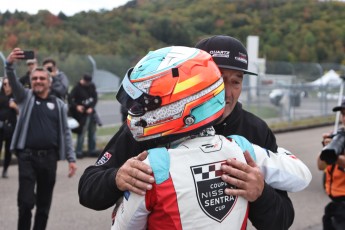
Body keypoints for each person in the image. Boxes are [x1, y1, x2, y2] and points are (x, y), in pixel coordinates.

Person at [78, 36, 294, 229]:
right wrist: (116, 178)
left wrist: (261, 193)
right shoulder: (150, 124)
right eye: (217, 79)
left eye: (236, 81)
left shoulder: (254, 130)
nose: (226, 92)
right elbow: (88, 189)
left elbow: (283, 220)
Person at [6, 48, 77, 230]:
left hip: (49, 158)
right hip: (27, 157)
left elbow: (66, 133)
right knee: (26, 203)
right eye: (35, 78)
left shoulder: (59, 105)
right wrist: (10, 65)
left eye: (42, 78)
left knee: (44, 206)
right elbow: (13, 83)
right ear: (31, 82)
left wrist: (71, 158)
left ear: (49, 82)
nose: (38, 81)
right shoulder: (25, 97)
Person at [317, 99, 345, 230]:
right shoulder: (338, 136)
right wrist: (326, 148)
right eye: (343, 114)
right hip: (336, 204)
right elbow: (321, 166)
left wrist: (336, 157)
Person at [68, 74, 99, 158]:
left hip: (90, 112)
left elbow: (95, 98)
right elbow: (70, 99)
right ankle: (79, 151)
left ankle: (92, 150)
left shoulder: (91, 86)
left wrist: (91, 108)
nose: (87, 84)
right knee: (81, 132)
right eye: (86, 82)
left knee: (92, 132)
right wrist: (77, 106)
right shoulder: (77, 87)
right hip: (81, 115)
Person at [0, 77, 18, 178]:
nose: (6, 86)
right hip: (0, 125)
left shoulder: (15, 97)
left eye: (8, 84)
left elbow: (21, 112)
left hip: (11, 126)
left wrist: (15, 106)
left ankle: (5, 169)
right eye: (4, 84)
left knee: (8, 149)